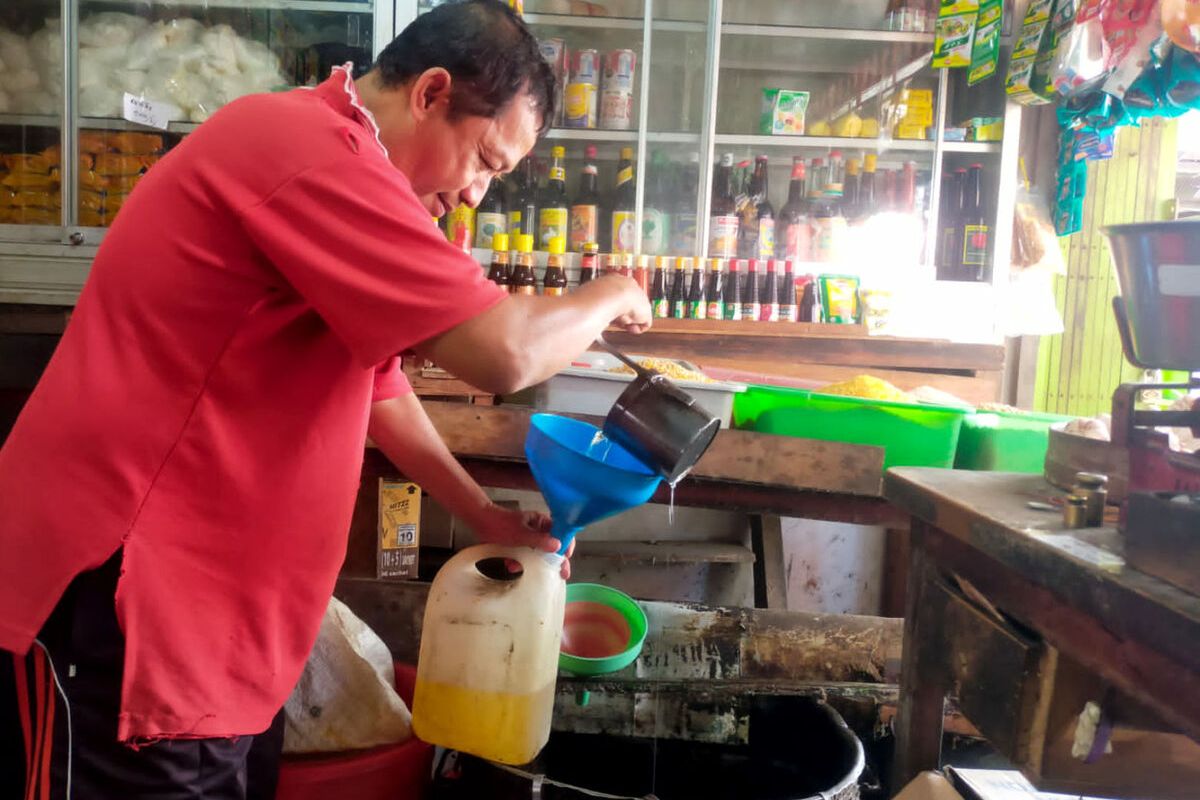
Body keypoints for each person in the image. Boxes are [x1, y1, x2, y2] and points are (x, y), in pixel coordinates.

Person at [0, 2, 652, 798]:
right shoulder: (308, 153)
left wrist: (483, 514)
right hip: (133, 604)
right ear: (431, 94)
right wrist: (614, 290)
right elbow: (505, 352)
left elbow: (376, 383)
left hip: (226, 626)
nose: (476, 193)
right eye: (484, 158)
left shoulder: (347, 169)